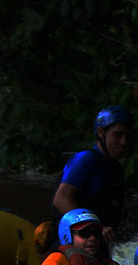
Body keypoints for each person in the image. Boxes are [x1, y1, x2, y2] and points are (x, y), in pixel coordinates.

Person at [49, 105, 133, 248]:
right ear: (101, 133)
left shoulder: (116, 169)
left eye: (127, 136)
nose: (123, 142)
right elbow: (61, 198)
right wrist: (93, 227)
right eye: (118, 135)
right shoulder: (85, 159)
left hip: (96, 243)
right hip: (70, 242)